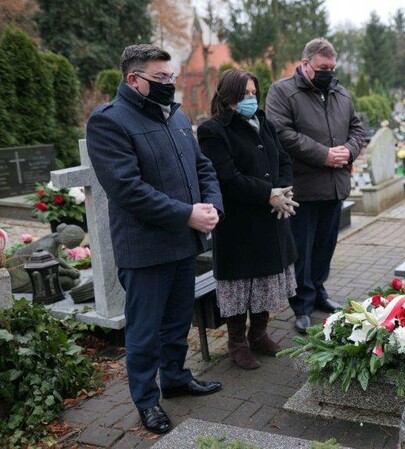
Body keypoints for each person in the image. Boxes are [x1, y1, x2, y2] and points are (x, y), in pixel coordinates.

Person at [86, 44, 224, 435]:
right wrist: (187, 214)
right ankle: (147, 401)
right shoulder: (109, 122)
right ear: (133, 79)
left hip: (183, 244)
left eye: (171, 78)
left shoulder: (175, 118)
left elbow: (203, 167)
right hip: (145, 250)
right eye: (160, 79)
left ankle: (177, 379)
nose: (169, 85)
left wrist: (212, 206)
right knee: (145, 333)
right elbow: (127, 189)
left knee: (177, 322)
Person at [197, 69, 298, 370]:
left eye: (254, 93)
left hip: (271, 216)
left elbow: (284, 159)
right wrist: (268, 193)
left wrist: (284, 189)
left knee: (267, 279)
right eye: (244, 95)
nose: (251, 100)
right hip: (240, 223)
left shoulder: (264, 122)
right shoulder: (213, 130)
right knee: (242, 284)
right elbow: (226, 177)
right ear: (228, 97)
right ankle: (236, 343)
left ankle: (259, 334)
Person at [266, 37, 365, 334]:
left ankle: (319, 291)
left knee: (325, 247)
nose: (328, 72)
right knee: (302, 251)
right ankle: (301, 304)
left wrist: (349, 150)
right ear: (306, 64)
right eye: (323, 67)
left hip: (334, 188)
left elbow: (358, 128)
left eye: (332, 67)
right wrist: (324, 155)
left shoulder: (340, 93)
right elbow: (281, 133)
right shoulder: (283, 92)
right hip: (303, 189)